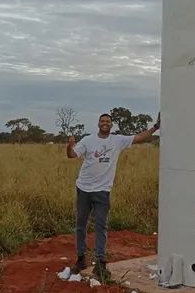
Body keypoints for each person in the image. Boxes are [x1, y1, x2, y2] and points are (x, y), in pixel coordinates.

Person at [61, 111, 160, 283]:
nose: (105, 123)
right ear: (98, 124)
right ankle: (81, 258)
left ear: (111, 125)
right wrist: (69, 145)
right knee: (80, 225)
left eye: (107, 121)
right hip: (83, 189)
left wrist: (156, 127)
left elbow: (138, 137)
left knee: (101, 226)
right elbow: (72, 155)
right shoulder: (88, 140)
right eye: (102, 121)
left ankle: (100, 262)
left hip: (102, 191)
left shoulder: (117, 140)